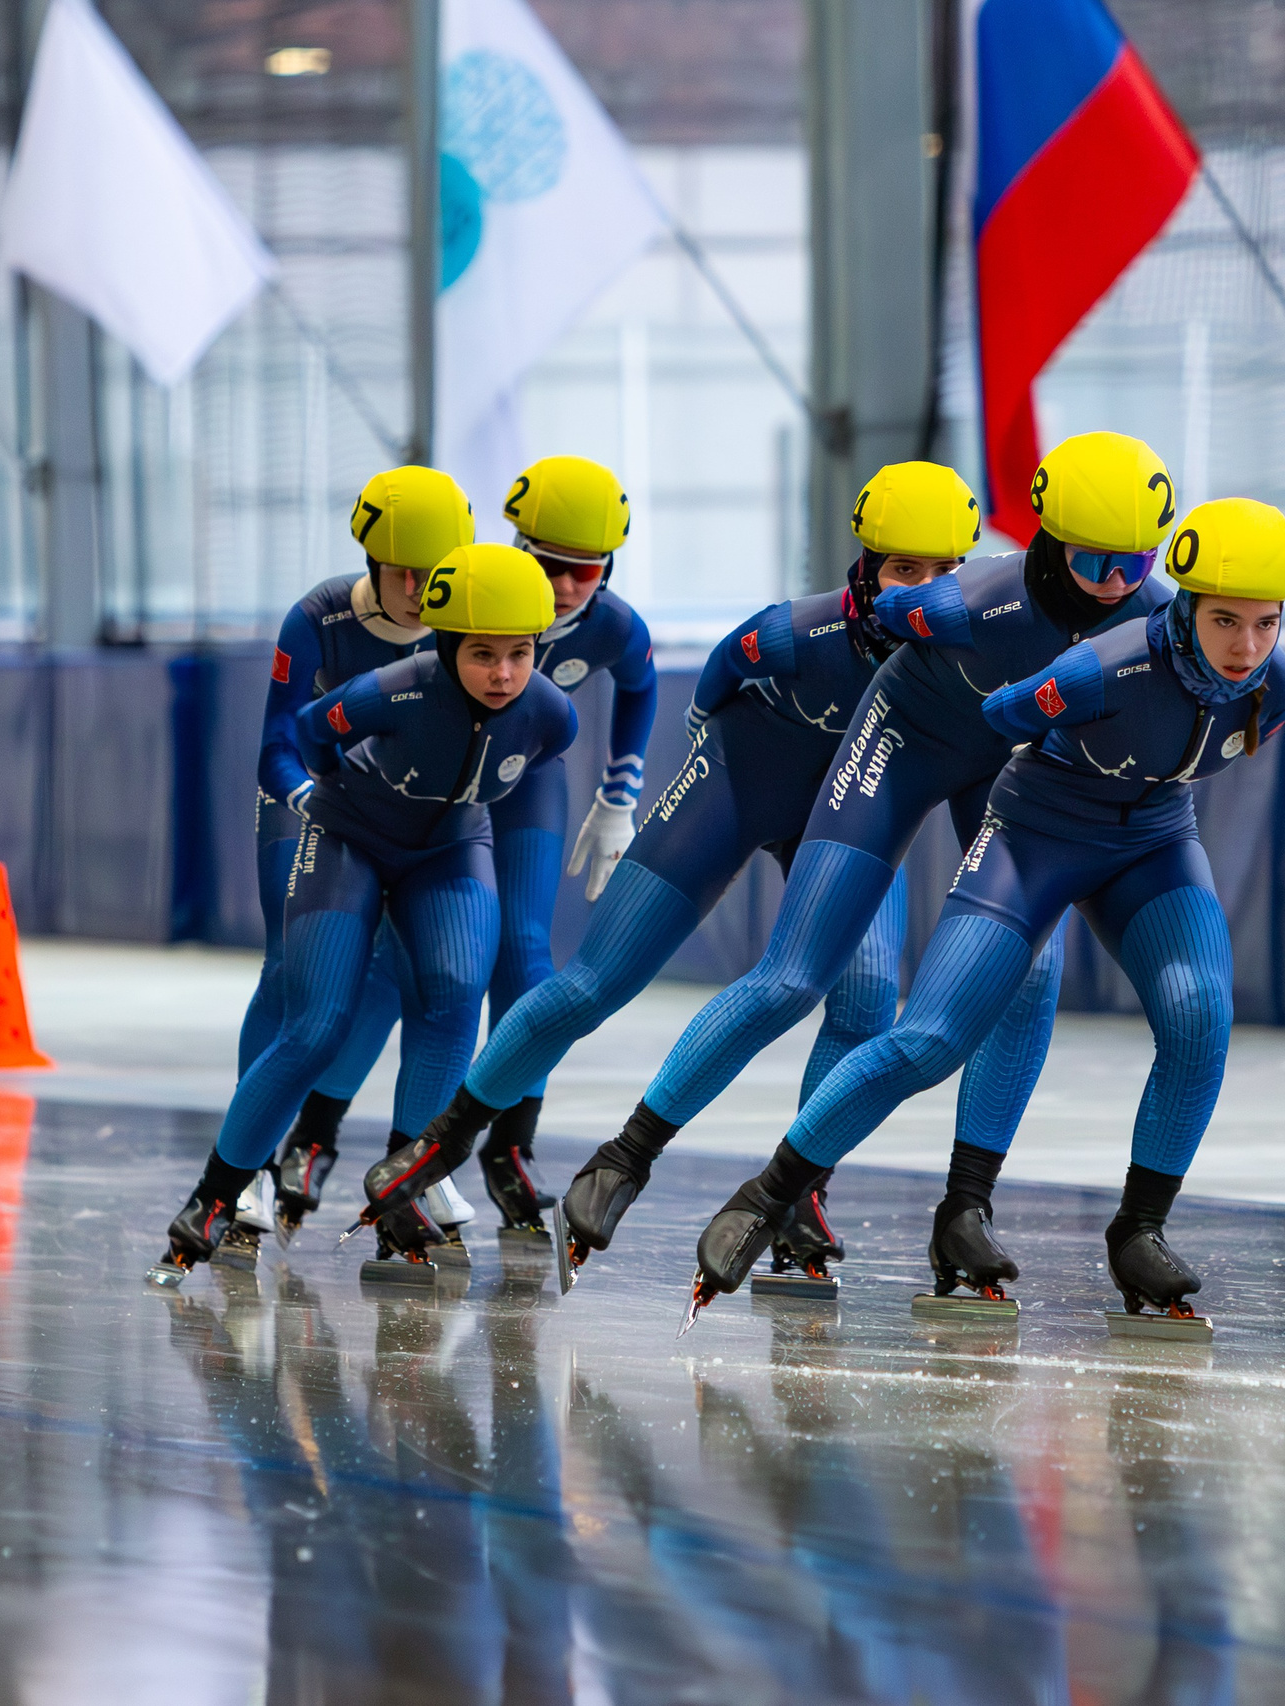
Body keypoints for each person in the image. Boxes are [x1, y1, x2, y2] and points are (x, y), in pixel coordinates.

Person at [550, 432, 1181, 1276]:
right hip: (904, 740)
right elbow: (857, 615)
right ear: (1045, 536)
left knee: (1030, 976)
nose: (1113, 583)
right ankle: (625, 1157)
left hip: (1001, 766)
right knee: (792, 976)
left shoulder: (1158, 616)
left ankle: (963, 1208)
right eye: (1094, 559)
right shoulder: (969, 598)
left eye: (1135, 563)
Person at [685, 497, 1285, 1324]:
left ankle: (1135, 1232)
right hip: (1037, 837)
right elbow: (1000, 714)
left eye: (1266, 624)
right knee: (931, 1039)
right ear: (1187, 605)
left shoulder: (1278, 687)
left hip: (1152, 843)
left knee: (1200, 1017)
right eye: (1226, 620)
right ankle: (768, 1196)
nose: (1247, 647)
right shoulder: (1103, 667)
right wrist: (1042, 747)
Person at [377, 462, 982, 1281]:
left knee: (868, 995)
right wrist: (695, 758)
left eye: (946, 571)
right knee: (596, 981)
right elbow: (722, 672)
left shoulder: (969, 651)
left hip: (847, 816)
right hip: (740, 781)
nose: (925, 590)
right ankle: (443, 1141)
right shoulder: (798, 632)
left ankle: (800, 1196)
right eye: (904, 569)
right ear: (864, 564)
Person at [150, 543, 576, 1280]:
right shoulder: (395, 688)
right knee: (315, 1023)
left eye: (520, 653)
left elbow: (532, 755)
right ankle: (217, 1195)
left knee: (452, 999)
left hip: (448, 847)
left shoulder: (550, 712)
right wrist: (327, 802)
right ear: (445, 645)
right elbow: (303, 735)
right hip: (349, 838)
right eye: (481, 655)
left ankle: (403, 1191)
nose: (504, 674)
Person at [246, 466, 473, 1233]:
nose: (418, 588)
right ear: (373, 560)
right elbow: (277, 749)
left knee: (426, 978)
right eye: (404, 572)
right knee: (293, 975)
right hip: (314, 803)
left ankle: (387, 1154)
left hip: (411, 818)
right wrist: (312, 802)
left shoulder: (468, 618)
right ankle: (245, 1166)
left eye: (433, 573)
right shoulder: (316, 617)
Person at [471, 455, 658, 1205]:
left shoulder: (613, 625)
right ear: (518, 548)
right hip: (431, 787)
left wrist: (620, 793)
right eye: (551, 566)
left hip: (524, 778)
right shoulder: (470, 589)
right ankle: (336, 1134)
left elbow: (641, 689)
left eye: (587, 570)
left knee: (523, 952)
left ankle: (511, 1142)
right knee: (424, 965)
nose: (567, 588)